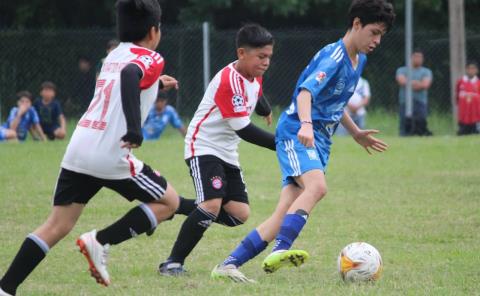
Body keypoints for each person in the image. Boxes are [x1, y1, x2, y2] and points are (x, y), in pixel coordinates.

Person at [0, 1, 188, 295]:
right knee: (170, 203)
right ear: (154, 31)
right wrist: (134, 128)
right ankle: (100, 241)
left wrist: (154, 85)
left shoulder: (113, 55)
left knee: (57, 225)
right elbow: (129, 77)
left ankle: (5, 288)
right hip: (110, 155)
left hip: (79, 148)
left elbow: (121, 80)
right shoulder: (151, 57)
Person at [210, 0, 393, 283]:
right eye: (374, 32)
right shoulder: (334, 56)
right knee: (318, 187)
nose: (378, 40)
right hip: (298, 131)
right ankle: (282, 249)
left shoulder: (359, 60)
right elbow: (306, 92)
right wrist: (306, 124)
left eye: (382, 35)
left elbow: (335, 102)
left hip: (320, 140)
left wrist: (355, 132)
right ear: (356, 24)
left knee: (282, 214)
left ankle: (228, 265)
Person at [157, 24, 276, 276]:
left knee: (238, 215)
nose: (266, 63)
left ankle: (172, 205)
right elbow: (243, 128)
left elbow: (255, 91)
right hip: (203, 145)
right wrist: (281, 144)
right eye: (261, 57)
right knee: (211, 205)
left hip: (228, 151)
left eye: (269, 57)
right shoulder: (228, 81)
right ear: (242, 53)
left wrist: (264, 109)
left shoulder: (253, 72)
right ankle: (173, 263)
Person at [396, 49, 433, 136]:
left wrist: (409, 83)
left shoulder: (426, 71)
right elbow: (401, 81)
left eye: (420, 57)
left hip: (420, 102)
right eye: (416, 56)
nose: (418, 59)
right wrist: (417, 83)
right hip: (405, 101)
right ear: (411, 58)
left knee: (421, 122)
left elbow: (425, 85)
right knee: (404, 123)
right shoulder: (402, 70)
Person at [456, 61, 480, 135]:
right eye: (469, 68)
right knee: (462, 133)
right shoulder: (460, 82)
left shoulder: (478, 83)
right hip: (464, 115)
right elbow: (457, 96)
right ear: (466, 70)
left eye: (473, 68)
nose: (471, 70)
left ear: (477, 70)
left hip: (476, 115)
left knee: (476, 133)